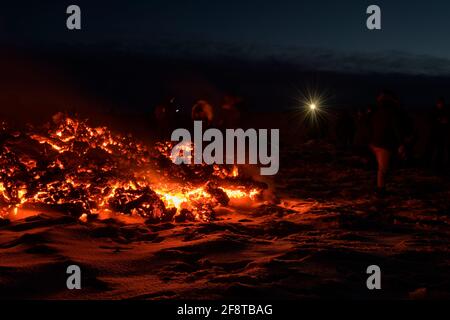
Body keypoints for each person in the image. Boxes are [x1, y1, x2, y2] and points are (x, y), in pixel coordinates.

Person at [368, 91, 408, 197]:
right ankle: (380, 190)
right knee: (383, 169)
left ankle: (381, 187)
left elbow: (371, 126)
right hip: (383, 144)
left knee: (383, 167)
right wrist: (401, 143)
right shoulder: (391, 113)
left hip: (376, 143)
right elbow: (396, 129)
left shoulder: (377, 112)